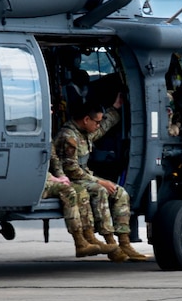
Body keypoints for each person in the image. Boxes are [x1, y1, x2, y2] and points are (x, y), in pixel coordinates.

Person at [54, 95, 149, 262]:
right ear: (85, 120)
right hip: (71, 179)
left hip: (84, 177)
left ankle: (124, 242)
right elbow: (72, 171)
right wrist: (99, 181)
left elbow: (103, 126)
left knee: (120, 193)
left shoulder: (84, 132)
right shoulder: (69, 137)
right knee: (100, 190)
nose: (98, 125)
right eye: (95, 122)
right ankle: (111, 243)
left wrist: (115, 108)